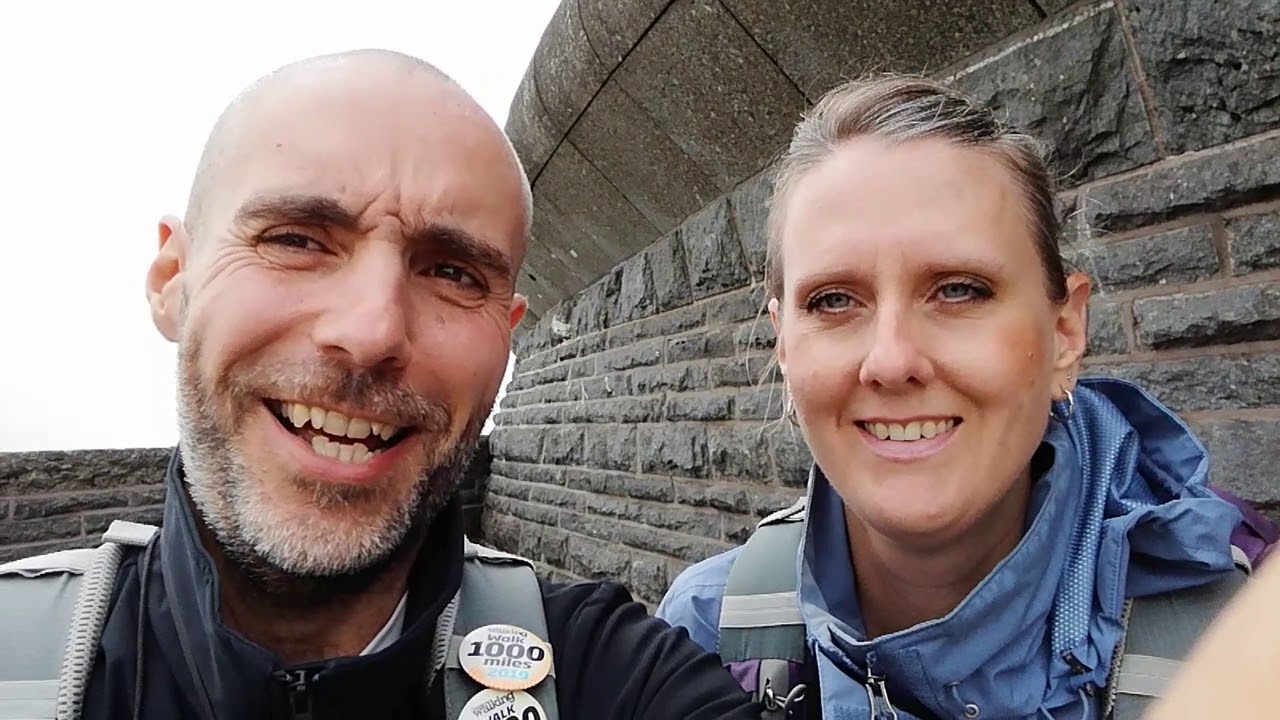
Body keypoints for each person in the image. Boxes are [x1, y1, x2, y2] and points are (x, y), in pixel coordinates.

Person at [0, 50, 761, 720]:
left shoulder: (618, 677)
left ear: (510, 334)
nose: (371, 333)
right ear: (173, 280)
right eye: (296, 240)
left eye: (454, 273)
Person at [656, 74, 1253, 719]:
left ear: (1065, 333)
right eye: (833, 301)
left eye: (960, 289)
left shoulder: (1245, 642)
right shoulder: (705, 637)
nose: (890, 360)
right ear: (784, 345)